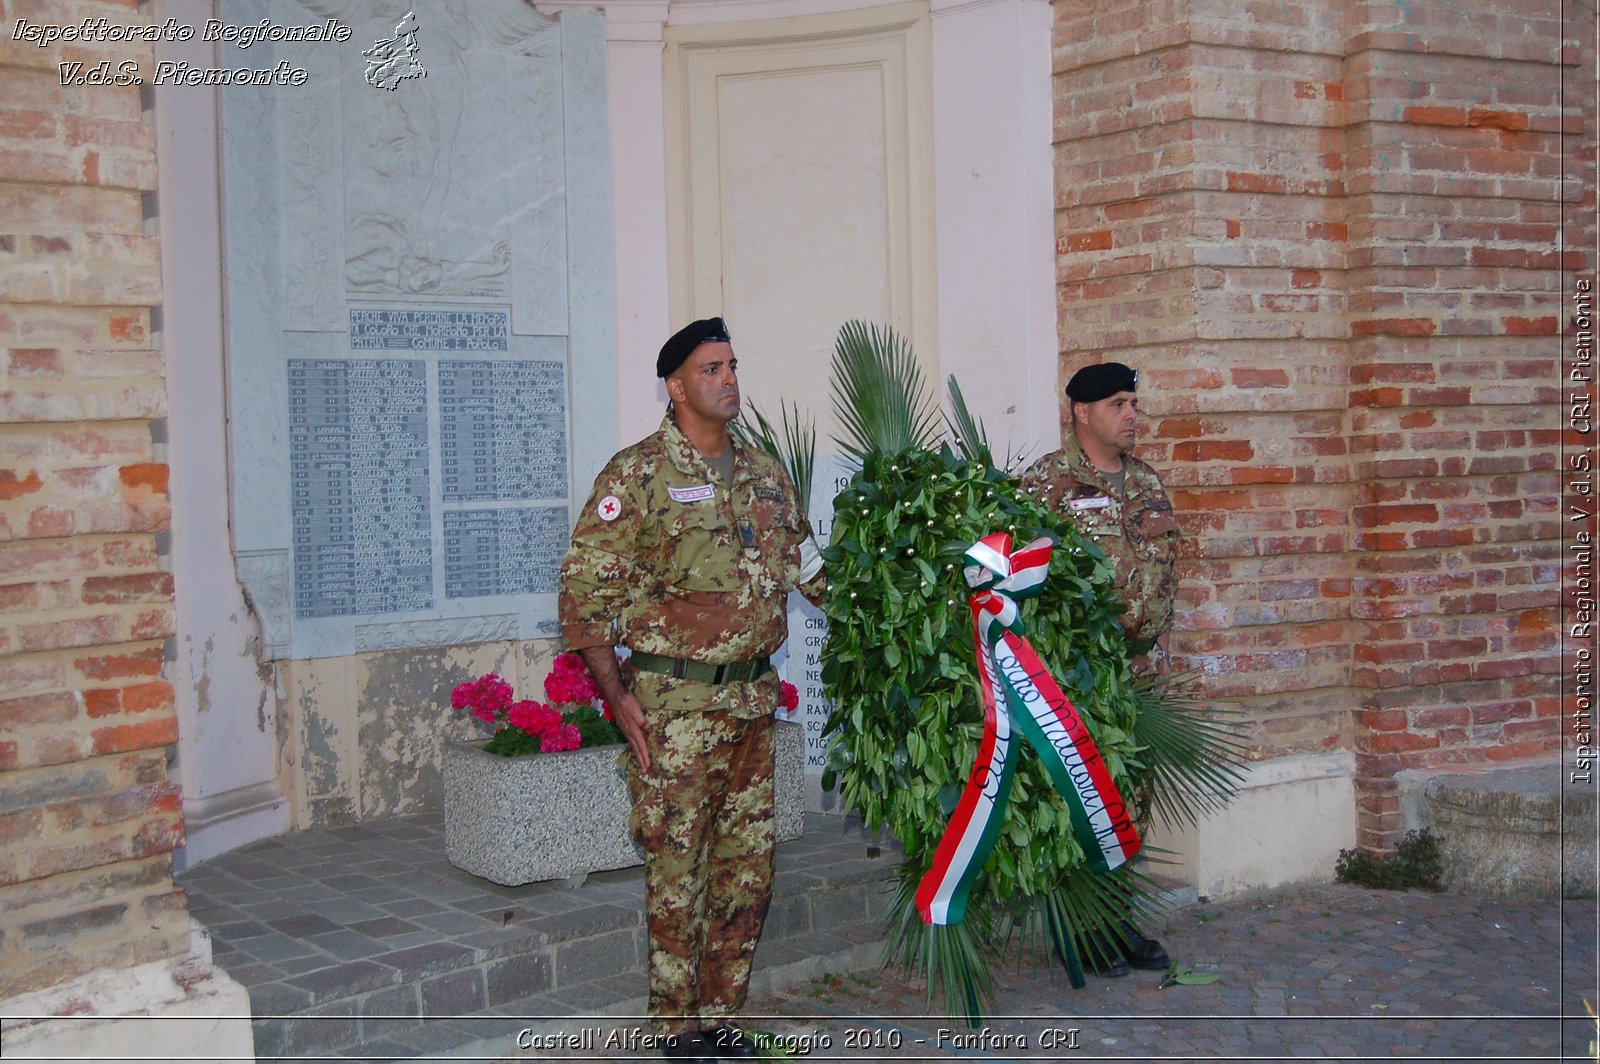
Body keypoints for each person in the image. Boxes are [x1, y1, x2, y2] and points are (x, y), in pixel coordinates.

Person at [558, 317, 825, 1062]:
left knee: (747, 872)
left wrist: (903, 590)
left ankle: (719, 1015)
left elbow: (810, 569)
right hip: (675, 708)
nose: (729, 379)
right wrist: (619, 698)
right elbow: (584, 598)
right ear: (676, 387)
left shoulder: (767, 472)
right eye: (712, 369)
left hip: (750, 705)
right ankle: (676, 1029)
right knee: (678, 871)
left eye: (733, 365)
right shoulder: (637, 475)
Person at [1019, 360, 1181, 978]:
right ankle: (1076, 926)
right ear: (1081, 413)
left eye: (1133, 403)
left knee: (1130, 802)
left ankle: (1115, 918)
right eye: (1118, 404)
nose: (1132, 415)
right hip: (1077, 680)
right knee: (1080, 799)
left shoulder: (1147, 483)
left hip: (1137, 676)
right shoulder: (1046, 485)